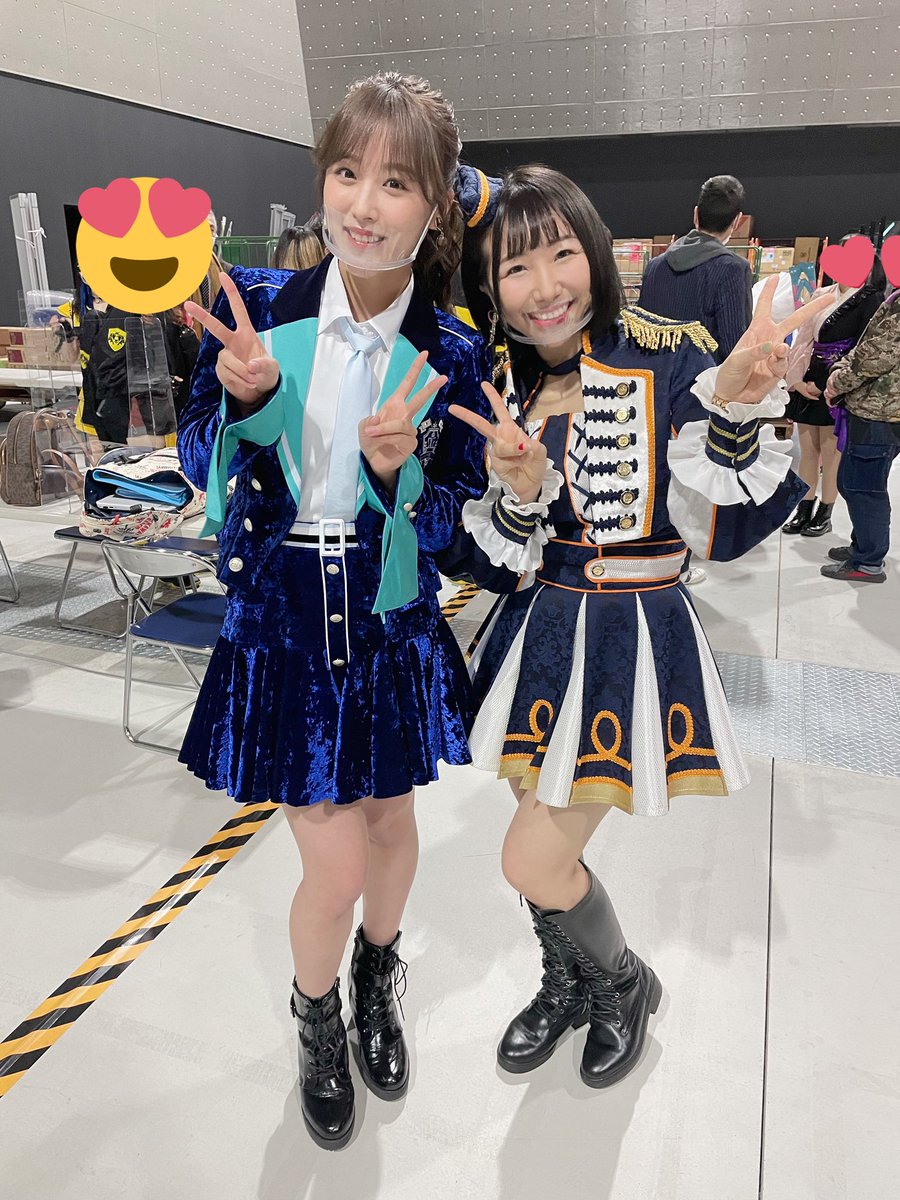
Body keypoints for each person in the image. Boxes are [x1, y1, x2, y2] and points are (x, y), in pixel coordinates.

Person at [446, 165, 830, 1091]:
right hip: (539, 639)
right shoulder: (505, 384)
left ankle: (623, 983)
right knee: (543, 839)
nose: (543, 287)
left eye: (560, 254)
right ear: (491, 289)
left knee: (531, 857)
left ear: (594, 252)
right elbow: (499, 553)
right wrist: (521, 491)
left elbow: (721, 527)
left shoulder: (665, 354)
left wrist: (734, 401)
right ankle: (569, 982)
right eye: (513, 268)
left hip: (631, 641)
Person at [176, 73, 490, 1152]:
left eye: (395, 183)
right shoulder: (260, 305)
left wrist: (401, 476)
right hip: (282, 623)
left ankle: (376, 976)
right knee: (336, 864)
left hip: (388, 622)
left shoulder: (454, 351)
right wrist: (250, 401)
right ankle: (318, 1022)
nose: (362, 203)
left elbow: (450, 522)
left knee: (394, 825)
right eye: (347, 172)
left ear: (436, 206)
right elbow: (197, 459)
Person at [781, 242, 886, 537]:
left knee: (830, 453)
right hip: (809, 375)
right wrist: (797, 381)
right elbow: (803, 339)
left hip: (836, 382)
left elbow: (862, 347)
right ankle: (804, 508)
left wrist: (829, 384)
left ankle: (825, 513)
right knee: (807, 450)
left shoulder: (870, 298)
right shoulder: (822, 294)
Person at [819, 287, 900, 583]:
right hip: (875, 409)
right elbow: (868, 345)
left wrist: (837, 381)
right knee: (855, 482)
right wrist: (841, 368)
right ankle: (863, 547)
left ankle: (868, 561)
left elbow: (877, 357)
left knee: (864, 488)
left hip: (880, 413)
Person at [638, 174, 753, 364]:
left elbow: (638, 333)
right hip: (703, 380)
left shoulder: (654, 266)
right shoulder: (733, 270)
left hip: (651, 378)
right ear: (737, 221)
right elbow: (735, 348)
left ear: (696, 214)